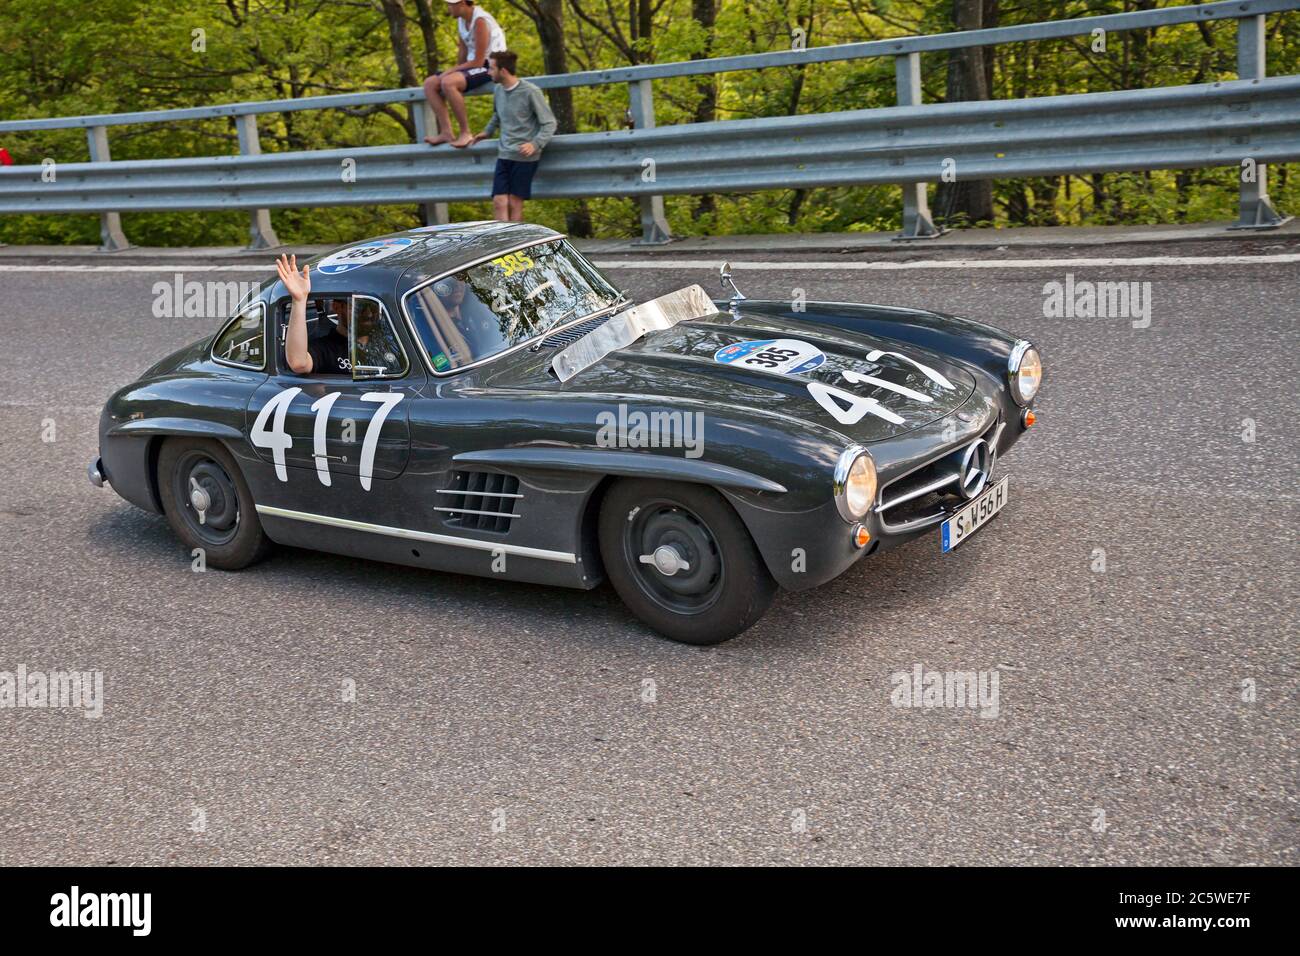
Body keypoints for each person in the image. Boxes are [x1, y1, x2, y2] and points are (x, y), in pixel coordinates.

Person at [469, 50, 557, 222]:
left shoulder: (530, 92)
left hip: (525, 156)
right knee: (499, 201)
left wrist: (535, 144)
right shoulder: (498, 90)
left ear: (503, 71)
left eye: (491, 69)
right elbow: (497, 115)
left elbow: (549, 122)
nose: (488, 72)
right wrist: (487, 132)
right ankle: (502, 242)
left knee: (515, 202)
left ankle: (515, 244)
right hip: (504, 154)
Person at [422, 1, 507, 148]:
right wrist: (456, 70)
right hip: (473, 64)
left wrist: (450, 73)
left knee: (448, 82)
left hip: (492, 65)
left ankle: (465, 133)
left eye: (451, 5)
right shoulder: (461, 20)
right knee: (430, 83)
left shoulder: (480, 20)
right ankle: (446, 132)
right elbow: (463, 53)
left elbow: (479, 61)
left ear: (462, 4)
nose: (448, 8)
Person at [276, 254, 352, 375]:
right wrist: (299, 300)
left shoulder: (386, 341)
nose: (369, 313)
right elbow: (299, 363)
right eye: (359, 306)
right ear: (337, 307)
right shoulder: (326, 348)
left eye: (372, 307)